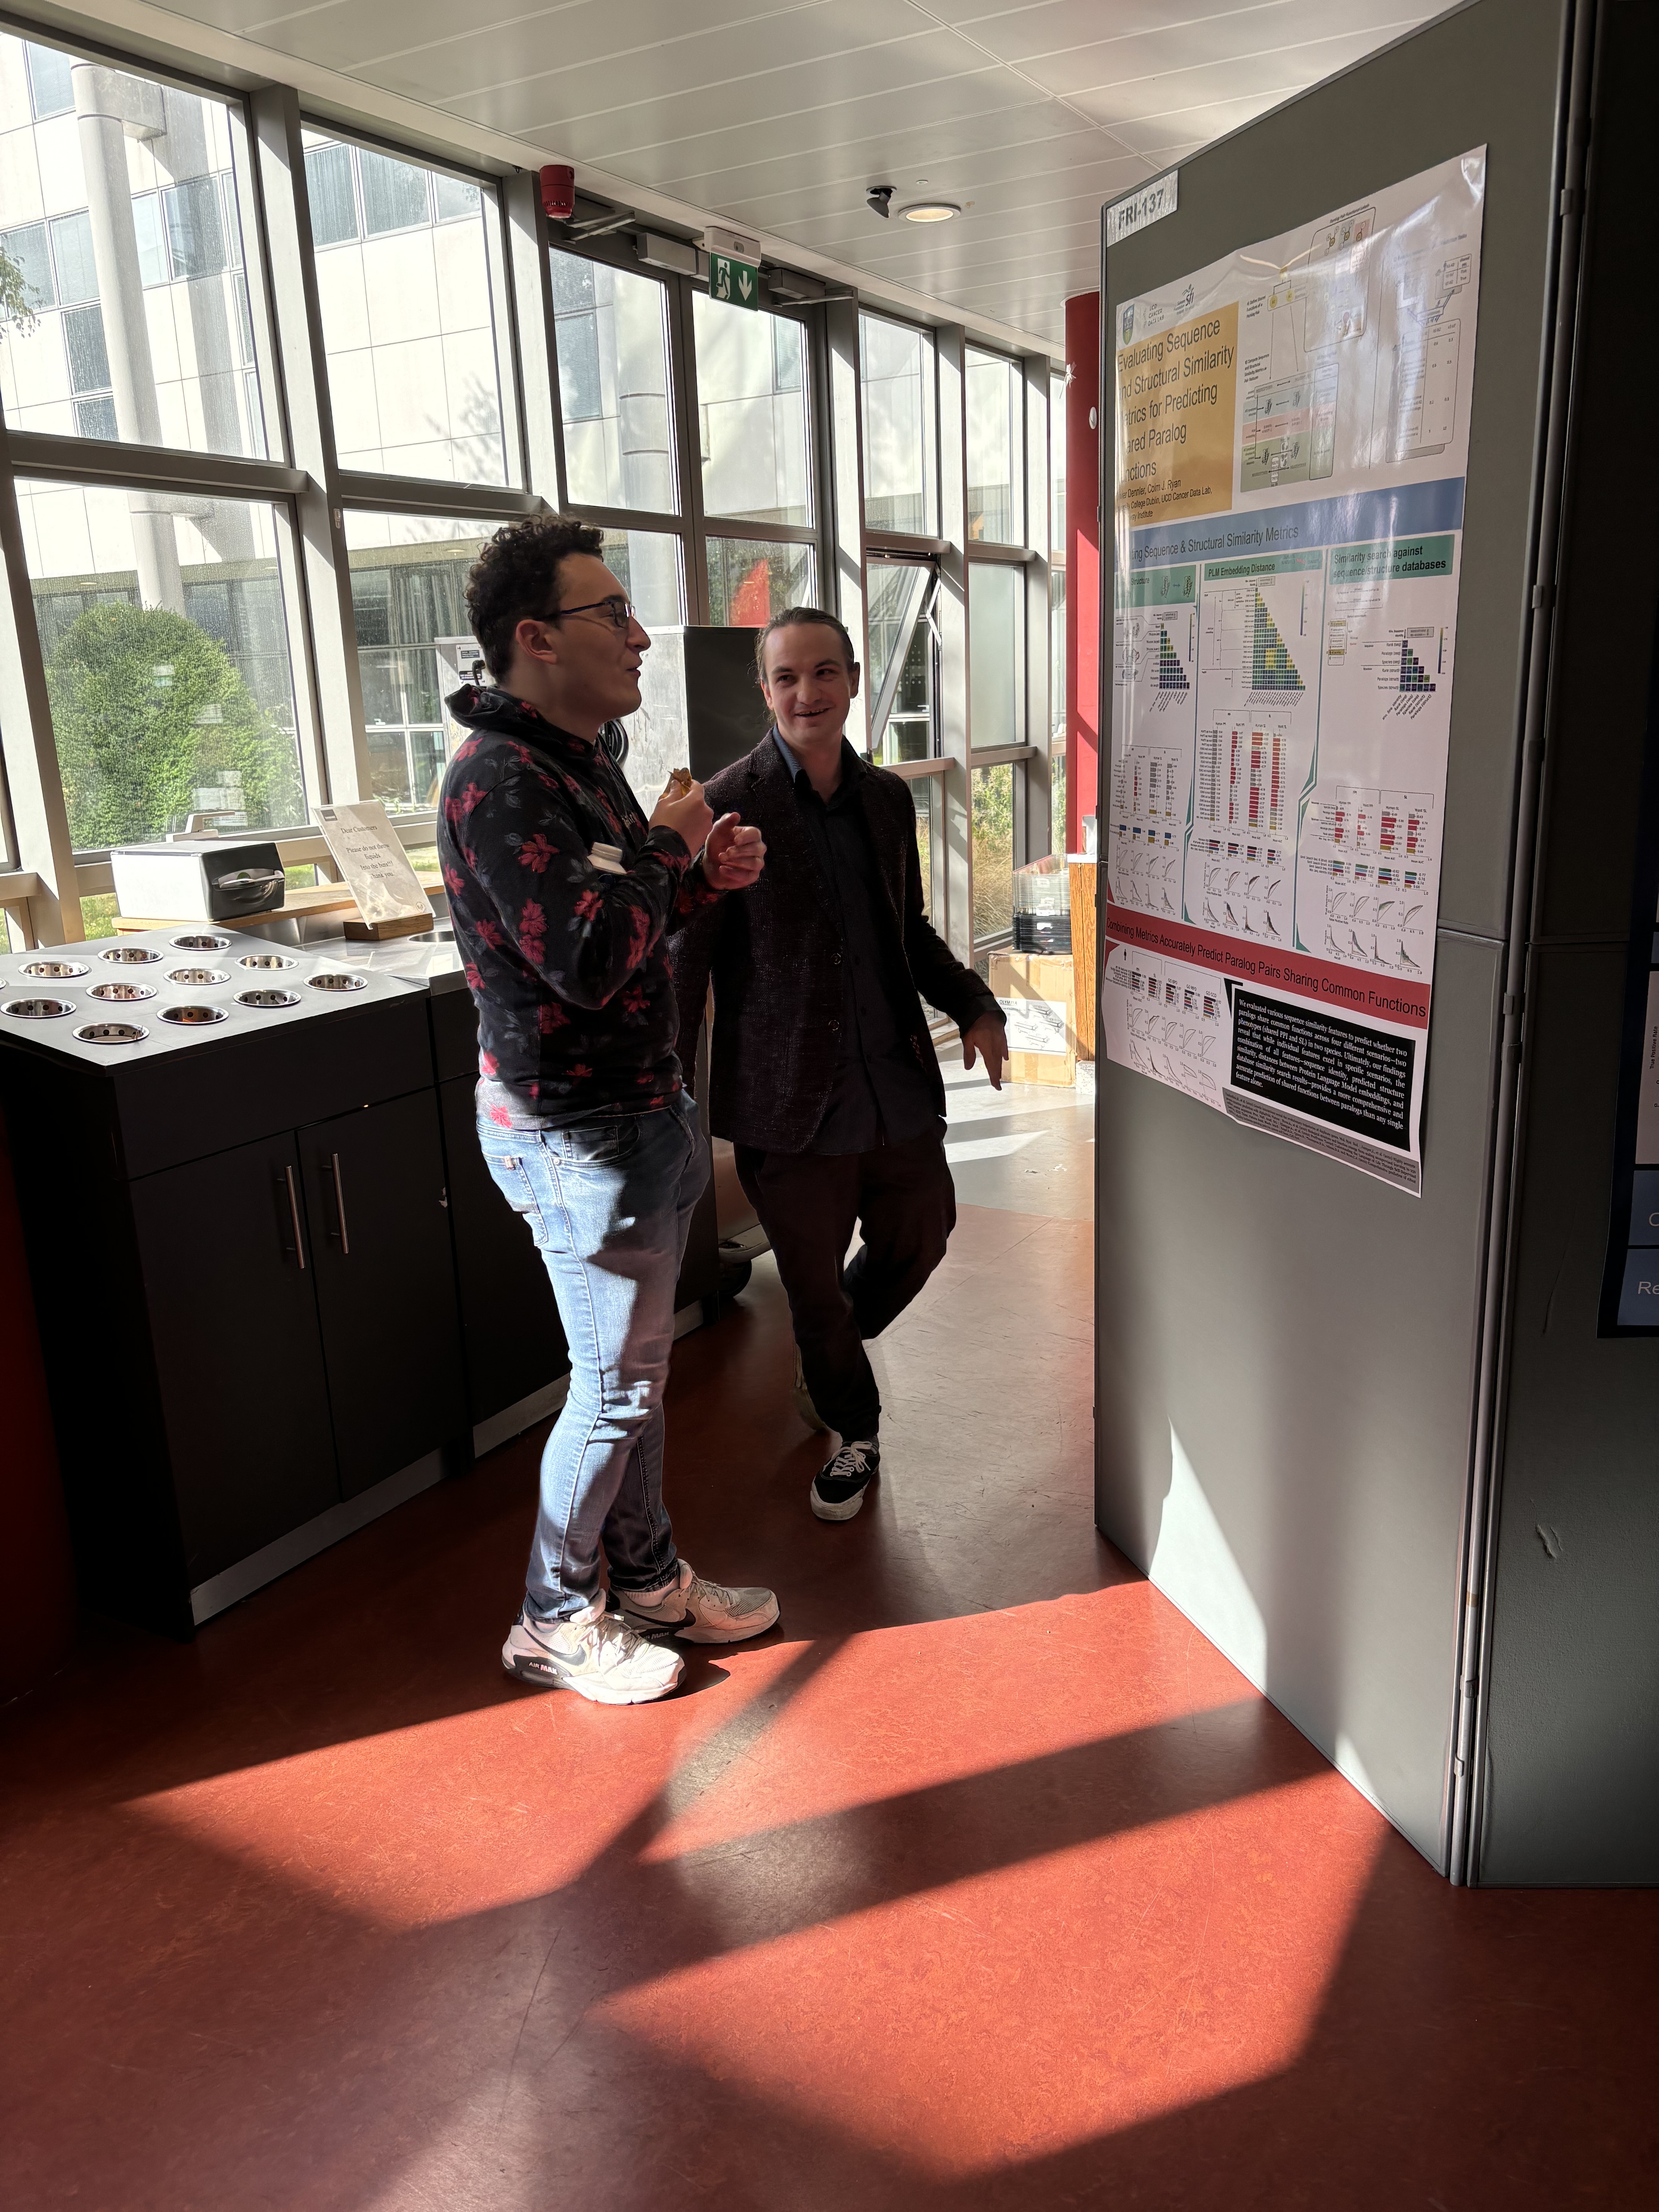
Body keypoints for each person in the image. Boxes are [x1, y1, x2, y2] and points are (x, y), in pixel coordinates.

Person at [438, 514, 778, 1705]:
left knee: (636, 1379)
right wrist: (671, 847)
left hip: (637, 1108)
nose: (639, 636)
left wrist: (693, 875)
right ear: (536, 638)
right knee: (617, 1387)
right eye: (612, 614)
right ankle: (550, 1618)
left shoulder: (578, 758)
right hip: (575, 1132)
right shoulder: (498, 781)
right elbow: (583, 961)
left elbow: (622, 928)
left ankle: (645, 1581)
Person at [669, 606, 1008, 1523]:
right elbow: (686, 966)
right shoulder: (725, 809)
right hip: (786, 1105)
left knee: (922, 1232)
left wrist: (974, 1005)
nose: (807, 692)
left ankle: (829, 1358)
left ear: (853, 680)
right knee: (812, 1288)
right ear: (766, 690)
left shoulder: (887, 800)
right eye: (787, 677)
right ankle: (855, 1428)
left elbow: (908, 930)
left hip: (891, 1083)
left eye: (825, 672)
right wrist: (669, 1094)